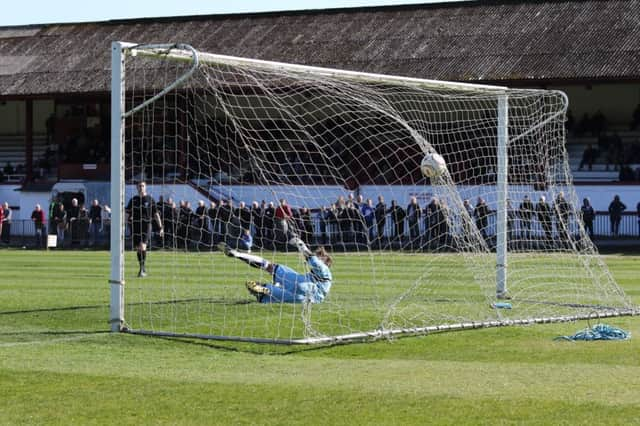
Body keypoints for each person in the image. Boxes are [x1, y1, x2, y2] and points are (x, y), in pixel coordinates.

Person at [218, 236, 332, 304]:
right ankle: (264, 290)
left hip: (305, 286)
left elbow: (314, 261)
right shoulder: (323, 279)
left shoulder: (324, 269)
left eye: (319, 256)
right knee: (279, 296)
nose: (316, 257)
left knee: (269, 266)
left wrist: (301, 245)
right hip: (309, 300)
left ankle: (237, 254)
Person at [125, 181, 163, 277]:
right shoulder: (133, 200)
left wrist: (161, 227)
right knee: (138, 248)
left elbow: (156, 214)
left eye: (142, 186)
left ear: (145, 187)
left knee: (143, 246)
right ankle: (142, 268)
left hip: (146, 225)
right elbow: (127, 214)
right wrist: (124, 224)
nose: (141, 187)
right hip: (135, 225)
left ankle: (141, 270)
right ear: (137, 188)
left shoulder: (150, 199)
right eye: (139, 186)